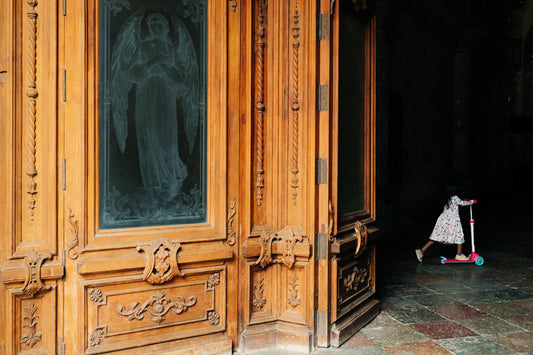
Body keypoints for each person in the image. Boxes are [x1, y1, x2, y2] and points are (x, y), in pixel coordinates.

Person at [415, 194, 477, 262]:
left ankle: (421, 251)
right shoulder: (454, 197)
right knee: (459, 235)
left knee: (436, 236)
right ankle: (459, 255)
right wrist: (472, 201)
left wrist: (462, 202)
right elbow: (463, 203)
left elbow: (455, 206)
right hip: (452, 221)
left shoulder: (446, 198)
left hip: (443, 220)